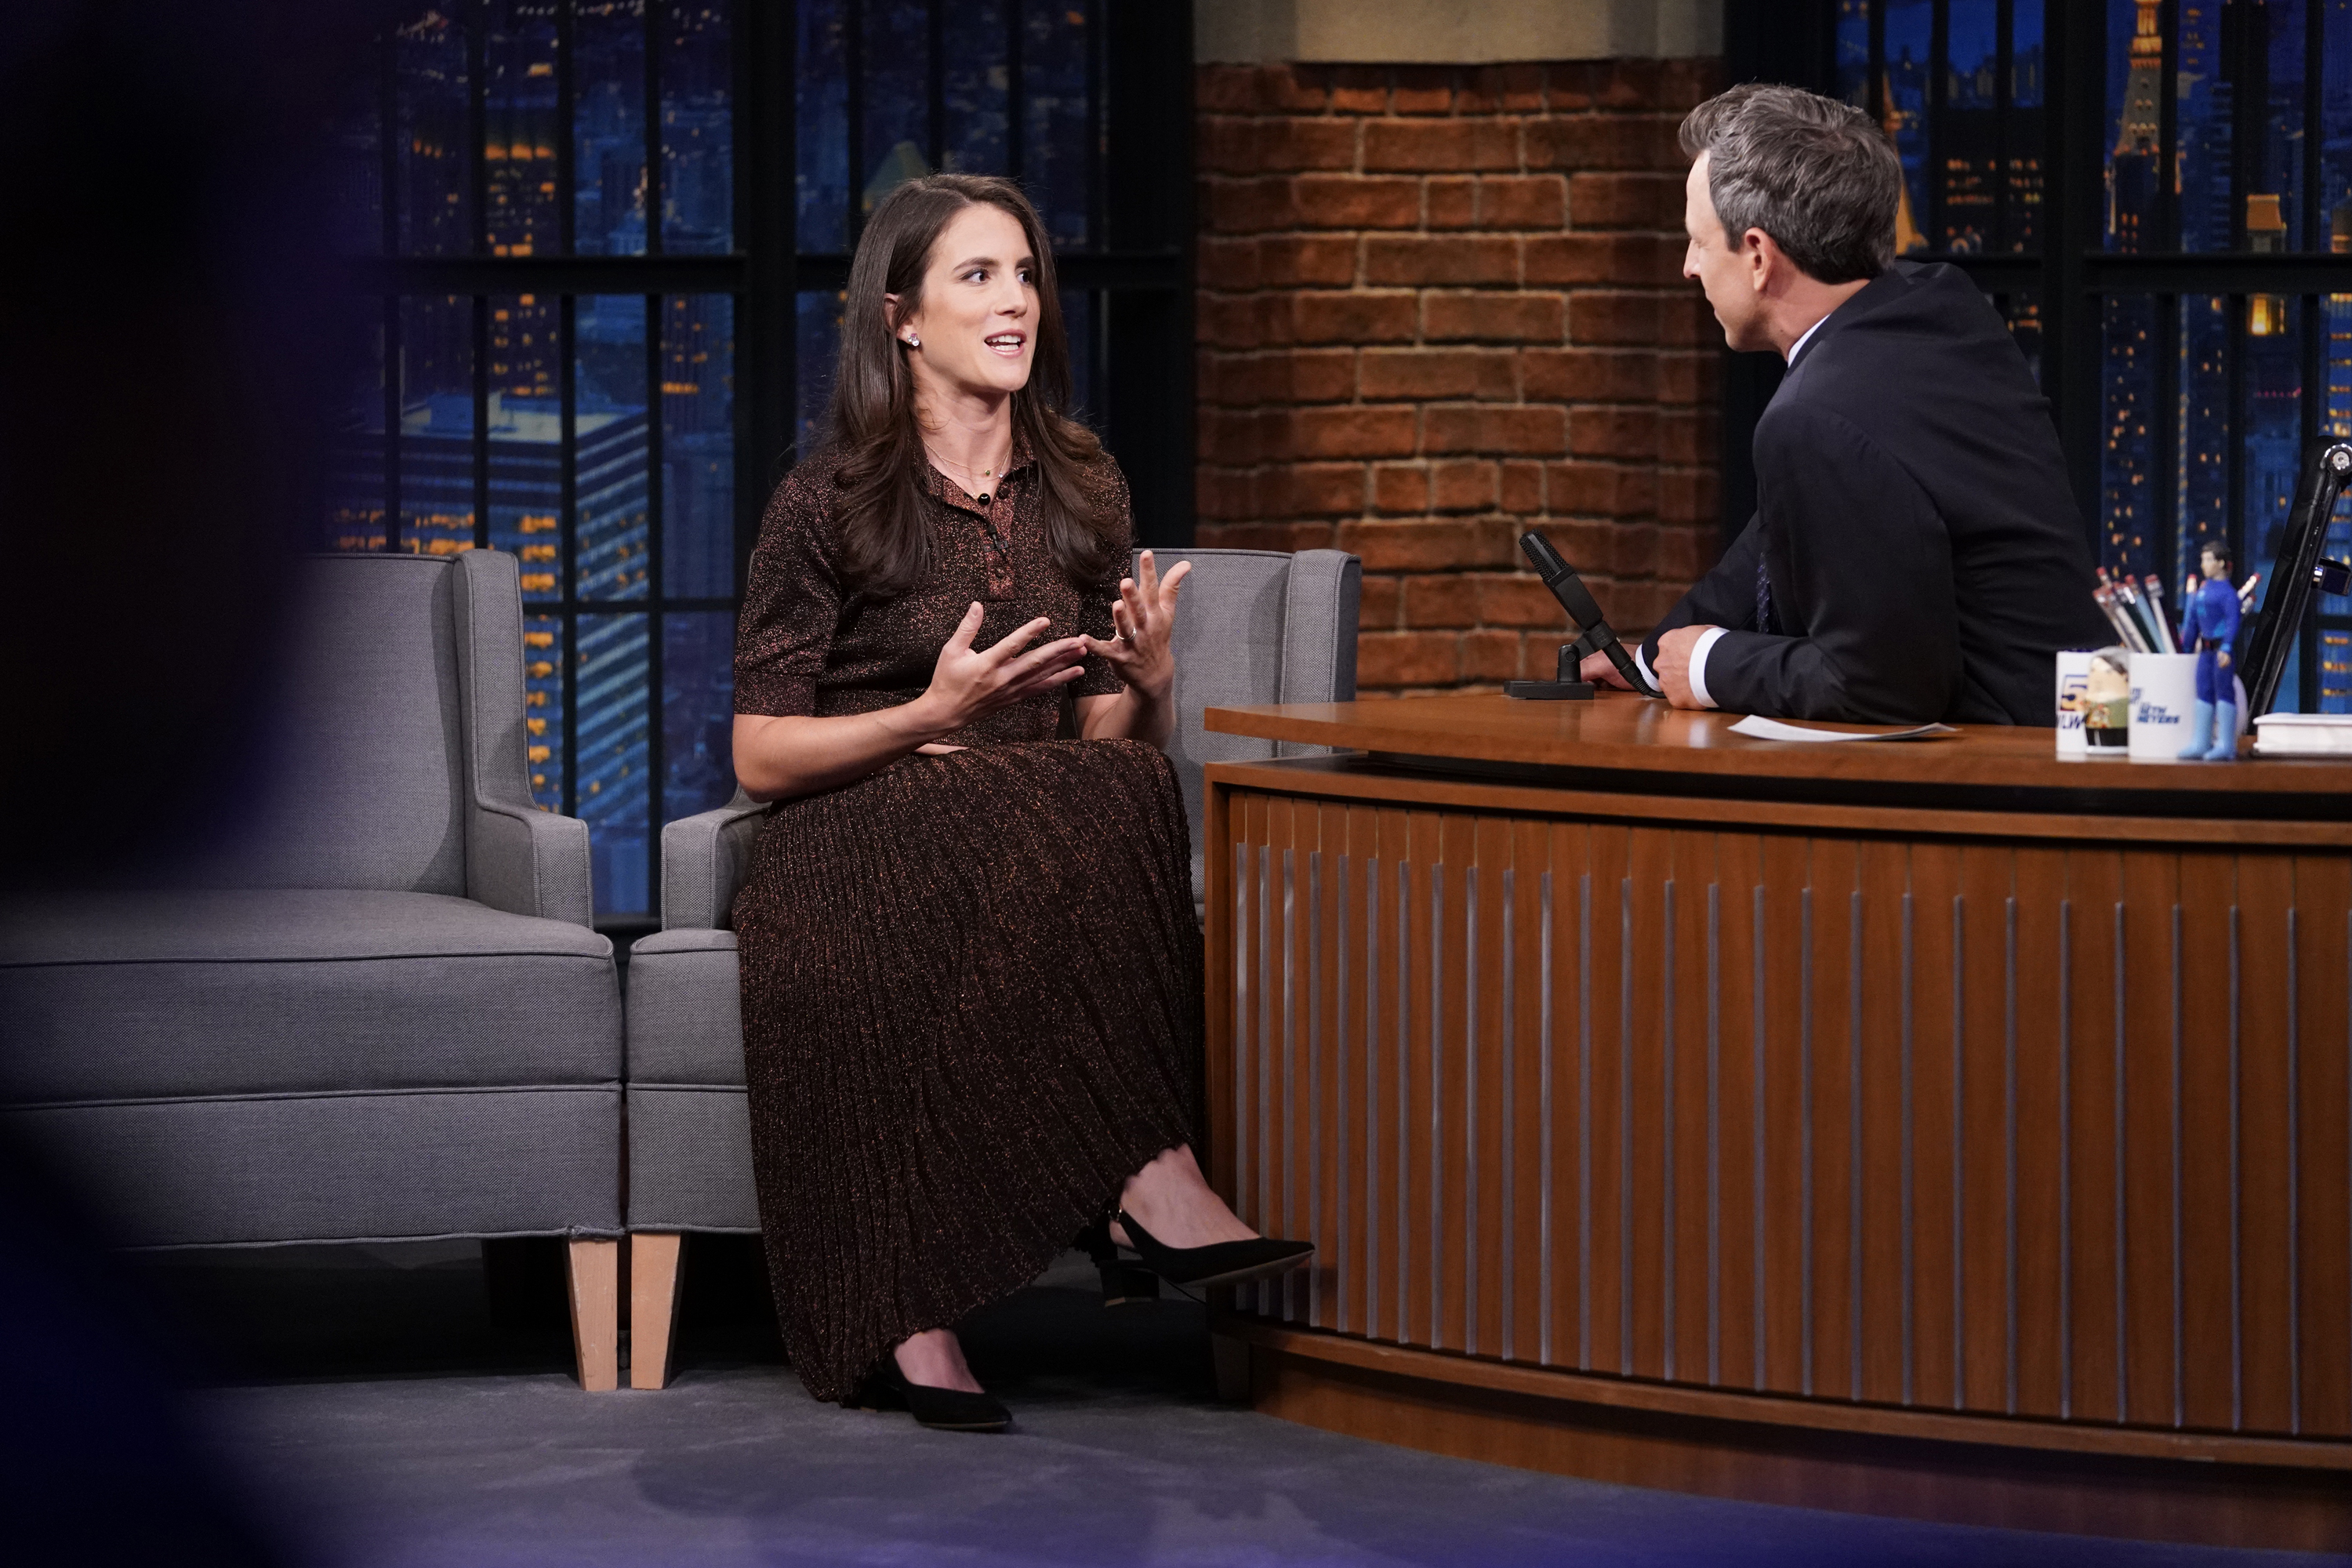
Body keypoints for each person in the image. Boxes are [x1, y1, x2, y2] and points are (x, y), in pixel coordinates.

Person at [730, 173, 1309, 1432]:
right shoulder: (826, 504)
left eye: (1026, 275)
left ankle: (1146, 1179)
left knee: (1128, 774)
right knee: (1091, 796)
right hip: (854, 830)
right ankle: (1000, 1256)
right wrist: (924, 718)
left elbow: (1100, 740)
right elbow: (760, 756)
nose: (1015, 304)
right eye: (977, 277)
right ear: (901, 318)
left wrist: (1150, 684)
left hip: (1028, 823)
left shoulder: (1084, 490)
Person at [1584, 83, 2108, 723]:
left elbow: (1882, 686)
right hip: (2069, 735)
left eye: (1698, 240)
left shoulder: (1819, 414)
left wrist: (1709, 664)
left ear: (1757, 255)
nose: (1689, 267)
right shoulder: (1935, 306)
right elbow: (1777, 532)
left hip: (2006, 778)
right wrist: (1654, 660)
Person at [2176, 540, 2243, 760]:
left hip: (2220, 650)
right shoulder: (2203, 591)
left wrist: (2226, 646)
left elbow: (2233, 622)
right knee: (2203, 691)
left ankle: (2226, 744)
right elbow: (2193, 619)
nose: (2203, 564)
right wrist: (2186, 644)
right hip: (2204, 652)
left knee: (2223, 691)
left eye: (2208, 560)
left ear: (2221, 563)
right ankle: (2201, 741)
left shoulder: (2227, 594)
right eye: (2203, 559)